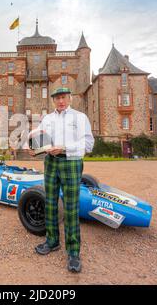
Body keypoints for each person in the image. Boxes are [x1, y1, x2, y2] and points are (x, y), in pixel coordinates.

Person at [28, 87, 94, 273]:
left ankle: (73, 252)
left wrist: (64, 148)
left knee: (71, 207)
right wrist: (33, 148)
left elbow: (88, 144)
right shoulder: (48, 119)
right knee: (50, 203)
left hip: (71, 162)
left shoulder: (80, 118)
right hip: (50, 162)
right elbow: (39, 139)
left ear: (70, 98)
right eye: (57, 98)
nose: (60, 101)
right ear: (53, 100)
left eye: (64, 97)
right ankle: (52, 241)